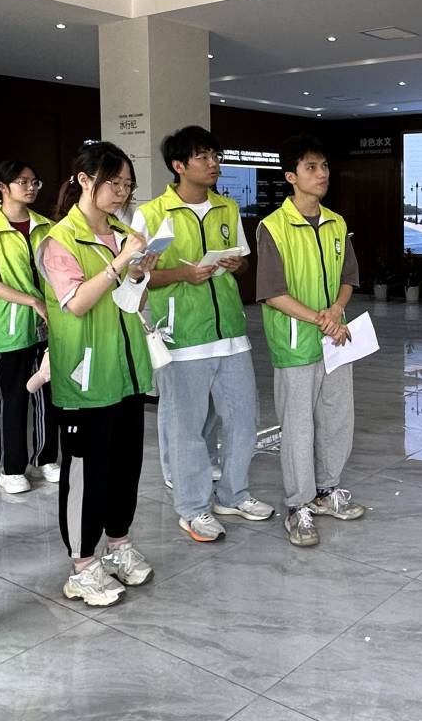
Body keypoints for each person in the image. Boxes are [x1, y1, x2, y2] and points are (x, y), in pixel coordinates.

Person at [136, 126, 272, 543]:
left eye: (215, 155)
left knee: (243, 420)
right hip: (182, 336)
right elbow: (138, 277)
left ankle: (233, 494)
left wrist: (235, 265)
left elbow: (243, 261)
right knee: (187, 429)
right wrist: (183, 274)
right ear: (179, 165)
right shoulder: (152, 214)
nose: (213, 164)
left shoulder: (226, 207)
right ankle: (193, 508)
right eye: (203, 157)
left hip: (230, 332)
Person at [37, 141, 158, 607]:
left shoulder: (123, 233)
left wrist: (140, 274)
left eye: (127, 185)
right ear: (85, 180)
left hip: (125, 370)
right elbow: (77, 303)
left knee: (126, 466)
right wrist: (122, 262)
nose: (122, 192)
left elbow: (133, 303)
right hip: (85, 377)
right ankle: (82, 565)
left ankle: (118, 545)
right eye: (114, 183)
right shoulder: (59, 240)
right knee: (88, 474)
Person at [257, 134, 364, 547]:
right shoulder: (274, 227)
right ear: (291, 176)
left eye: (324, 166)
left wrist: (336, 310)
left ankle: (326, 491)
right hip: (295, 343)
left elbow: (348, 277)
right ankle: (298, 505)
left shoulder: (337, 223)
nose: (322, 174)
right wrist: (322, 319)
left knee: (337, 417)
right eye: (311, 168)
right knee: (298, 427)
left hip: (336, 340)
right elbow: (273, 292)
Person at [0, 161, 56, 494]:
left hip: (49, 323)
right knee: (13, 396)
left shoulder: (47, 227)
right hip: (12, 325)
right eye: (23, 181)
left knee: (49, 393)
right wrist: (31, 301)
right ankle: (12, 468)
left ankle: (47, 458)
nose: (31, 187)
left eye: (35, 181)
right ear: (3, 187)